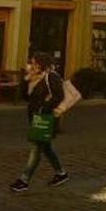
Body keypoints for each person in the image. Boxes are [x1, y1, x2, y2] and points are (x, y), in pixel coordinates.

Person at [10, 52, 69, 192]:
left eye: (34, 63)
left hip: (46, 118)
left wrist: (44, 108)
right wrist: (26, 79)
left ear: (41, 64)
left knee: (37, 148)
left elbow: (59, 96)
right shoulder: (34, 77)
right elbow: (25, 97)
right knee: (46, 147)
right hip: (36, 117)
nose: (32, 65)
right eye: (31, 62)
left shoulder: (51, 76)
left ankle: (24, 180)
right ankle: (61, 173)